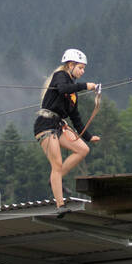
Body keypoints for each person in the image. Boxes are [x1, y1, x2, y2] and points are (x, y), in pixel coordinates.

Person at [33, 48, 100, 211]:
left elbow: (75, 117)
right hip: (46, 124)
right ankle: (60, 204)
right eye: (80, 67)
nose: (82, 71)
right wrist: (86, 86)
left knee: (83, 149)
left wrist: (88, 136)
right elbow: (63, 88)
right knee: (56, 164)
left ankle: (56, 178)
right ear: (70, 65)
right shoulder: (60, 76)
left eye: (83, 68)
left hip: (58, 124)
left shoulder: (73, 93)